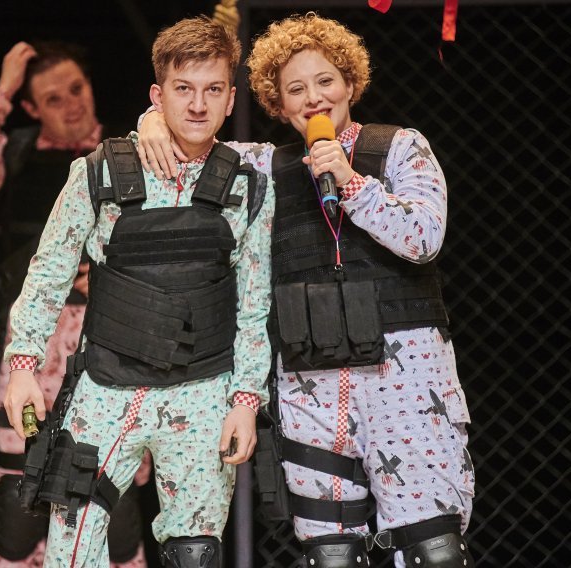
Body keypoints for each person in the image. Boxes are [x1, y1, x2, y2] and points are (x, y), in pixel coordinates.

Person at [138, 12, 475, 568]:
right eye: (296, 89)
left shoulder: (399, 147)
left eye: (325, 81)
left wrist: (351, 181)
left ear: (350, 83)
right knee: (332, 553)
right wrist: (152, 121)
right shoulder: (263, 168)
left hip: (405, 381)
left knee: (431, 548)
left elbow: (423, 238)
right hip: (312, 385)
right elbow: (188, 150)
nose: (314, 97)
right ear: (278, 102)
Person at [2, 15, 274, 568]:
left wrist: (246, 402)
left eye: (213, 90)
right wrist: (23, 367)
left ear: (230, 99)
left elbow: (254, 306)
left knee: (195, 553)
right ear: (157, 95)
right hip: (107, 387)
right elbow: (48, 273)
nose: (197, 104)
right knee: (72, 549)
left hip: (202, 392)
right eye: (183, 89)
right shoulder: (98, 172)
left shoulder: (249, 184)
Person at [0, 41, 147, 568]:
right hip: (35, 343)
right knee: (20, 506)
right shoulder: (17, 154)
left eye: (77, 89)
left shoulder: (133, 153)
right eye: (53, 99)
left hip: (111, 339)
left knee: (113, 503)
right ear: (32, 108)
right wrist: (3, 90)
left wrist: (116, 274)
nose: (72, 105)